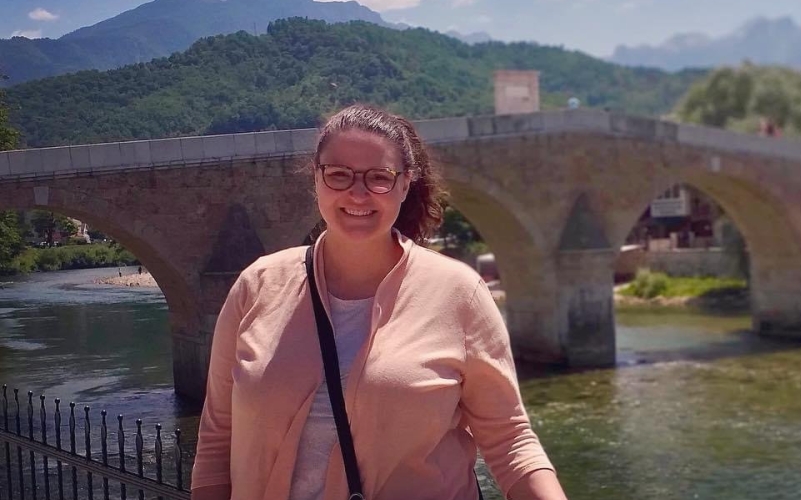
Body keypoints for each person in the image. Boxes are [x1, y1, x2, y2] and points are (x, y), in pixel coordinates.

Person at [191, 104, 568, 500]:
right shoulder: (257, 287)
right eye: (338, 175)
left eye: (379, 177)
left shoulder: (458, 294)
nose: (358, 193)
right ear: (316, 181)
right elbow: (218, 437)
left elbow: (510, 441)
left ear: (405, 184)